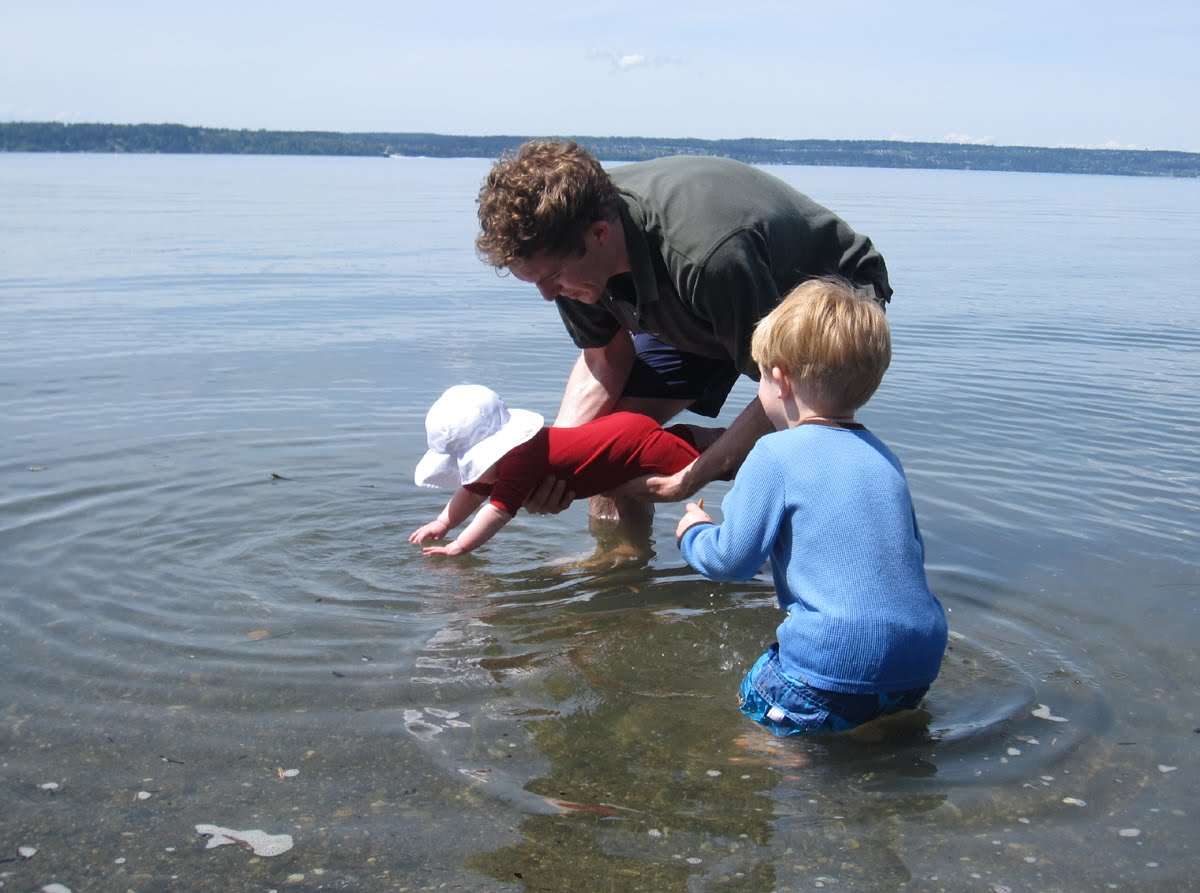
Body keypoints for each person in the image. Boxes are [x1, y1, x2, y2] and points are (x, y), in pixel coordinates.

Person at [475, 139, 893, 518]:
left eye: (552, 279)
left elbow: (784, 383)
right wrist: (555, 464)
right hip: (699, 304)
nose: (549, 296)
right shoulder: (572, 254)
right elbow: (605, 358)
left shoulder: (709, 256)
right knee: (608, 454)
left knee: (800, 439)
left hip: (822, 299)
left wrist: (691, 477)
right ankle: (621, 570)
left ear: (600, 234)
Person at [675, 279, 947, 736]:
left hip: (831, 661)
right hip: (919, 660)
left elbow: (732, 561)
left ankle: (782, 765)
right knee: (876, 725)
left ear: (779, 379)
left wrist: (693, 533)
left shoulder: (773, 453)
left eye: (760, 375)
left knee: (754, 711)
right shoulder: (885, 459)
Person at [410, 384, 722, 557]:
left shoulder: (519, 461)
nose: (468, 474)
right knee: (684, 444)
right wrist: (442, 522)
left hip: (633, 446)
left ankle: (750, 442)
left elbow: (496, 513)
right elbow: (472, 491)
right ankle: (707, 436)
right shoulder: (504, 459)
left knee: (716, 463)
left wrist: (459, 546)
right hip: (621, 430)